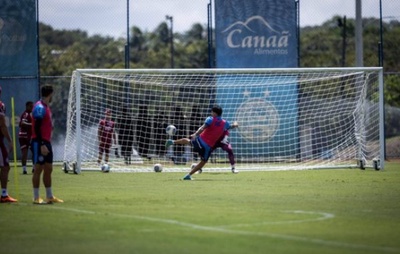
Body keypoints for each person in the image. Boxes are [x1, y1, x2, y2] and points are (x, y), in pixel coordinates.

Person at [165, 105, 230, 180]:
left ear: (215, 113)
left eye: (212, 112)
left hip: (200, 140)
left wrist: (195, 134)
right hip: (207, 147)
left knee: (189, 142)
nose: (211, 113)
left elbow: (202, 128)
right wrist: (235, 125)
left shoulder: (210, 119)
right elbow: (229, 127)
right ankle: (188, 175)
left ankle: (172, 142)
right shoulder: (225, 123)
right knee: (203, 161)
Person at [31, 85, 63, 204]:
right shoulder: (39, 107)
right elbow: (37, 126)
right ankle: (36, 197)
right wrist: (42, 144)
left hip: (46, 142)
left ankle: (49, 196)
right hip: (39, 143)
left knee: (49, 169)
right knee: (38, 169)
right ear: (50, 94)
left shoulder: (46, 107)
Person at [0, 87, 17, 203]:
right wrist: (10, 140)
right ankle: (4, 195)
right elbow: (2, 124)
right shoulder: (0, 105)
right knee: (5, 166)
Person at [18, 101, 33, 174]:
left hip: (30, 136)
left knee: (34, 151)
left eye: (32, 106)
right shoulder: (25, 114)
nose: (32, 108)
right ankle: (24, 169)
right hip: (23, 136)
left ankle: (34, 168)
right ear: (27, 106)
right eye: (30, 106)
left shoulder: (32, 114)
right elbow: (23, 123)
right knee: (25, 153)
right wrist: (32, 124)